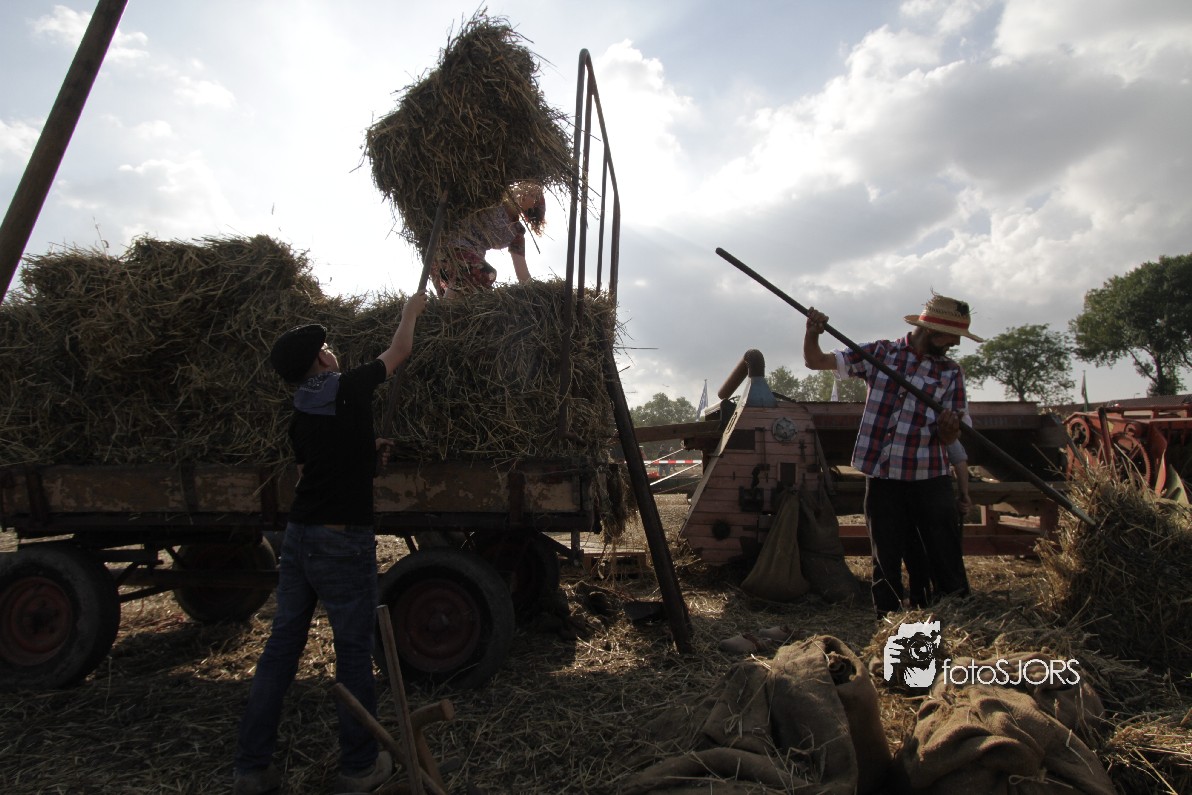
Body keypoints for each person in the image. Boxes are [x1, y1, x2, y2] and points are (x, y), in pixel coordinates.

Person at [232, 291, 428, 795]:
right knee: (353, 650)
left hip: (300, 536)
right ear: (321, 359)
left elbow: (311, 473)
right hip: (343, 539)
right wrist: (411, 312)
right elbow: (400, 352)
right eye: (327, 347)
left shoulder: (301, 412)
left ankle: (251, 768)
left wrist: (364, 450)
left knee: (281, 647)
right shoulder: (349, 388)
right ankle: (359, 769)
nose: (332, 351)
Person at [804, 293, 981, 614]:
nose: (956, 343)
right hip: (883, 477)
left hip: (930, 478)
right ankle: (887, 620)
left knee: (942, 553)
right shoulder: (880, 354)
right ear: (933, 330)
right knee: (885, 557)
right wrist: (812, 333)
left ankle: (950, 615)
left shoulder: (951, 372)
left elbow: (954, 434)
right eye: (953, 336)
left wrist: (948, 429)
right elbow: (816, 361)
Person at [433, 182, 546, 299]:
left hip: (470, 261)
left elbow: (522, 273)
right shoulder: (494, 198)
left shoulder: (516, 232)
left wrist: (538, 296)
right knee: (486, 274)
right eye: (525, 188)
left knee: (479, 280)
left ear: (532, 207)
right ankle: (446, 304)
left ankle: (446, 305)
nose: (526, 193)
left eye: (533, 196)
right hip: (450, 245)